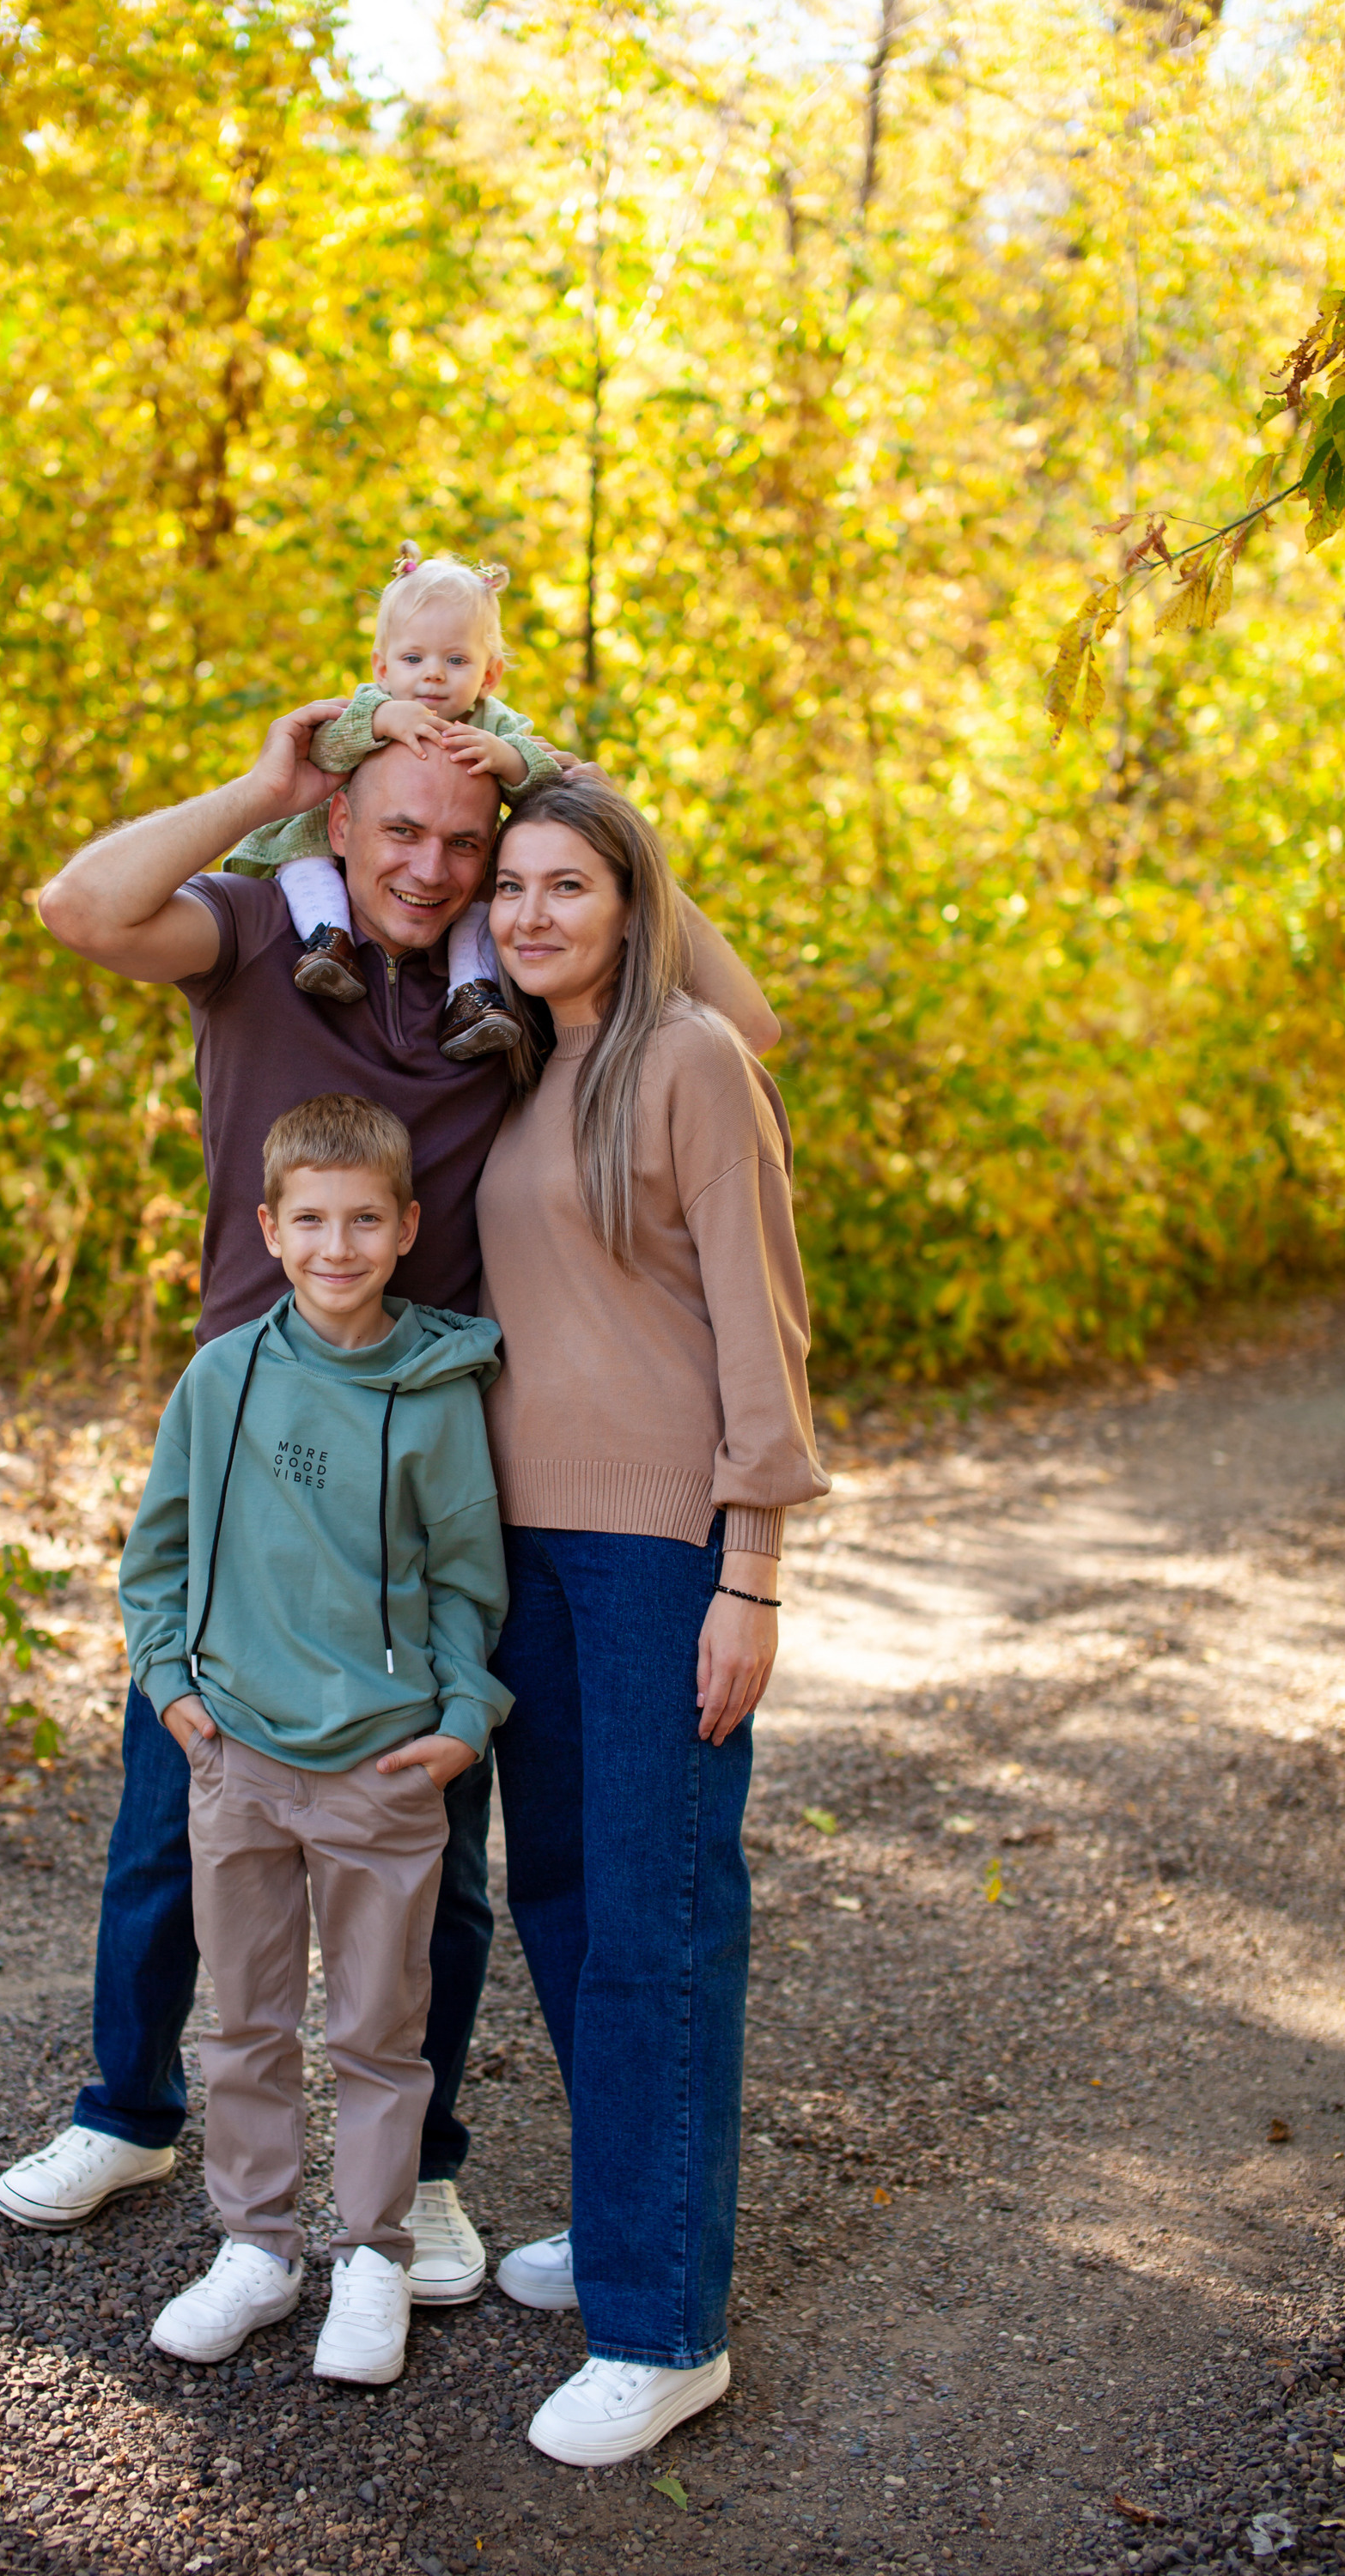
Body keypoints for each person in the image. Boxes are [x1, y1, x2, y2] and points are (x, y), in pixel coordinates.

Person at [0, 697, 777, 2306]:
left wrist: (568, 792)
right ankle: (127, 2111)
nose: (430, 866)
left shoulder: (519, 995)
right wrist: (261, 783)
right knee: (180, 1799)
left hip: (432, 1456)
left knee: (434, 1840)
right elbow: (78, 906)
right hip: (253, 1433)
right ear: (341, 825)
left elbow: (736, 1026)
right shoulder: (264, 935)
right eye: (398, 830)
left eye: (465, 842)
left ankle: (416, 2170)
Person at [474, 772, 830, 2464]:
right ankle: (629, 2210)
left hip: (660, 1555)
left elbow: (764, 1325)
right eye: (511, 886)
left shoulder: (690, 1059)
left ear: (633, 904)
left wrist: (750, 1569)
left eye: (569, 884)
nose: (531, 913)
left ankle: (664, 2326)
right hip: (519, 1552)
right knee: (557, 1893)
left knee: (657, 1919)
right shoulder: (515, 1064)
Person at [119, 1095, 510, 2385]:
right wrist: (171, 1685)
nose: (336, 1246)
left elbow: (467, 1581)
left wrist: (462, 1723)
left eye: (362, 1221)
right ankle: (257, 2248)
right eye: (310, 1221)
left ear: (405, 1230)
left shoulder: (438, 1395)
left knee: (378, 2036)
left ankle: (374, 2258)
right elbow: (157, 1553)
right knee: (243, 2022)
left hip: (381, 1767)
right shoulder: (220, 1376)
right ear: (268, 1230)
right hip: (237, 1756)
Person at [222, 542, 562, 1062]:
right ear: (382, 667)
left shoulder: (496, 725)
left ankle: (471, 994)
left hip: (466, 871)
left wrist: (509, 760)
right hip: (325, 843)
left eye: (456, 660)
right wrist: (379, 722)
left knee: (482, 902)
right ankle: (328, 941)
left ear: (489, 675)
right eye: (413, 658)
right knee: (304, 863)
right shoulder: (374, 705)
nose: (433, 674)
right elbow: (321, 750)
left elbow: (546, 788)